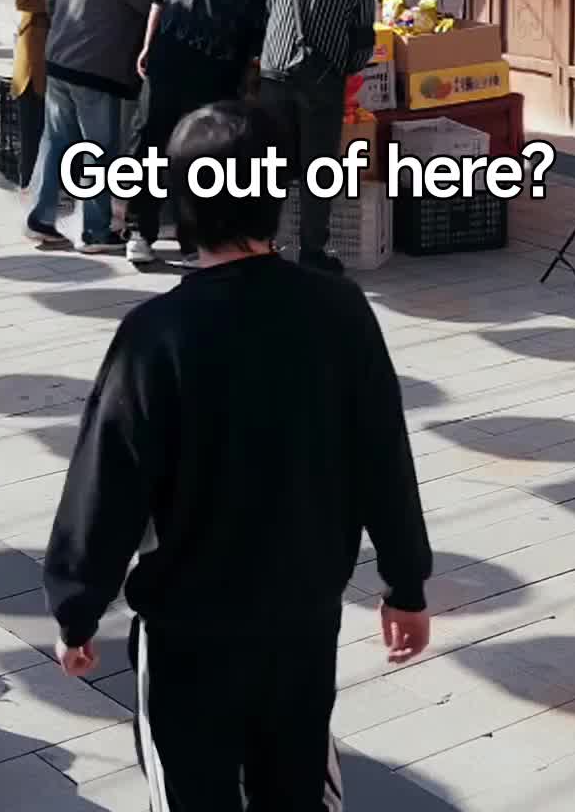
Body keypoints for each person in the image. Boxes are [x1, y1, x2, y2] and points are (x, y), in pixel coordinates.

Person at [44, 99, 432, 812]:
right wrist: (406, 584)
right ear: (279, 194)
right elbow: (383, 457)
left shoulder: (155, 334)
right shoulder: (340, 312)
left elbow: (108, 484)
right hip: (301, 621)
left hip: (188, 634)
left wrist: (77, 608)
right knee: (295, 790)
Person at [127, 0, 295, 266]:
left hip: (167, 58)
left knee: (151, 144)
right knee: (202, 153)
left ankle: (140, 232)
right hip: (212, 75)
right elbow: (258, 40)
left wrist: (148, 45)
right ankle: (193, 242)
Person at [25, 0, 150, 253]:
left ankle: (40, 217)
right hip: (96, 71)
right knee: (100, 150)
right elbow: (154, 10)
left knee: (56, 142)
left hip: (60, 61)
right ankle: (96, 231)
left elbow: (52, 2)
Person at [259, 0, 376, 276]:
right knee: (318, 166)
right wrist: (342, 67)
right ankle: (312, 251)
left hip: (272, 74)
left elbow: (270, 12)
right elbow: (362, 47)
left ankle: (262, 242)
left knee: (273, 163)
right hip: (319, 83)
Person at [10, 0, 78, 190]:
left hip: (52, 50)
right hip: (35, 56)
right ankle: (30, 190)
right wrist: (58, 2)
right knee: (34, 131)